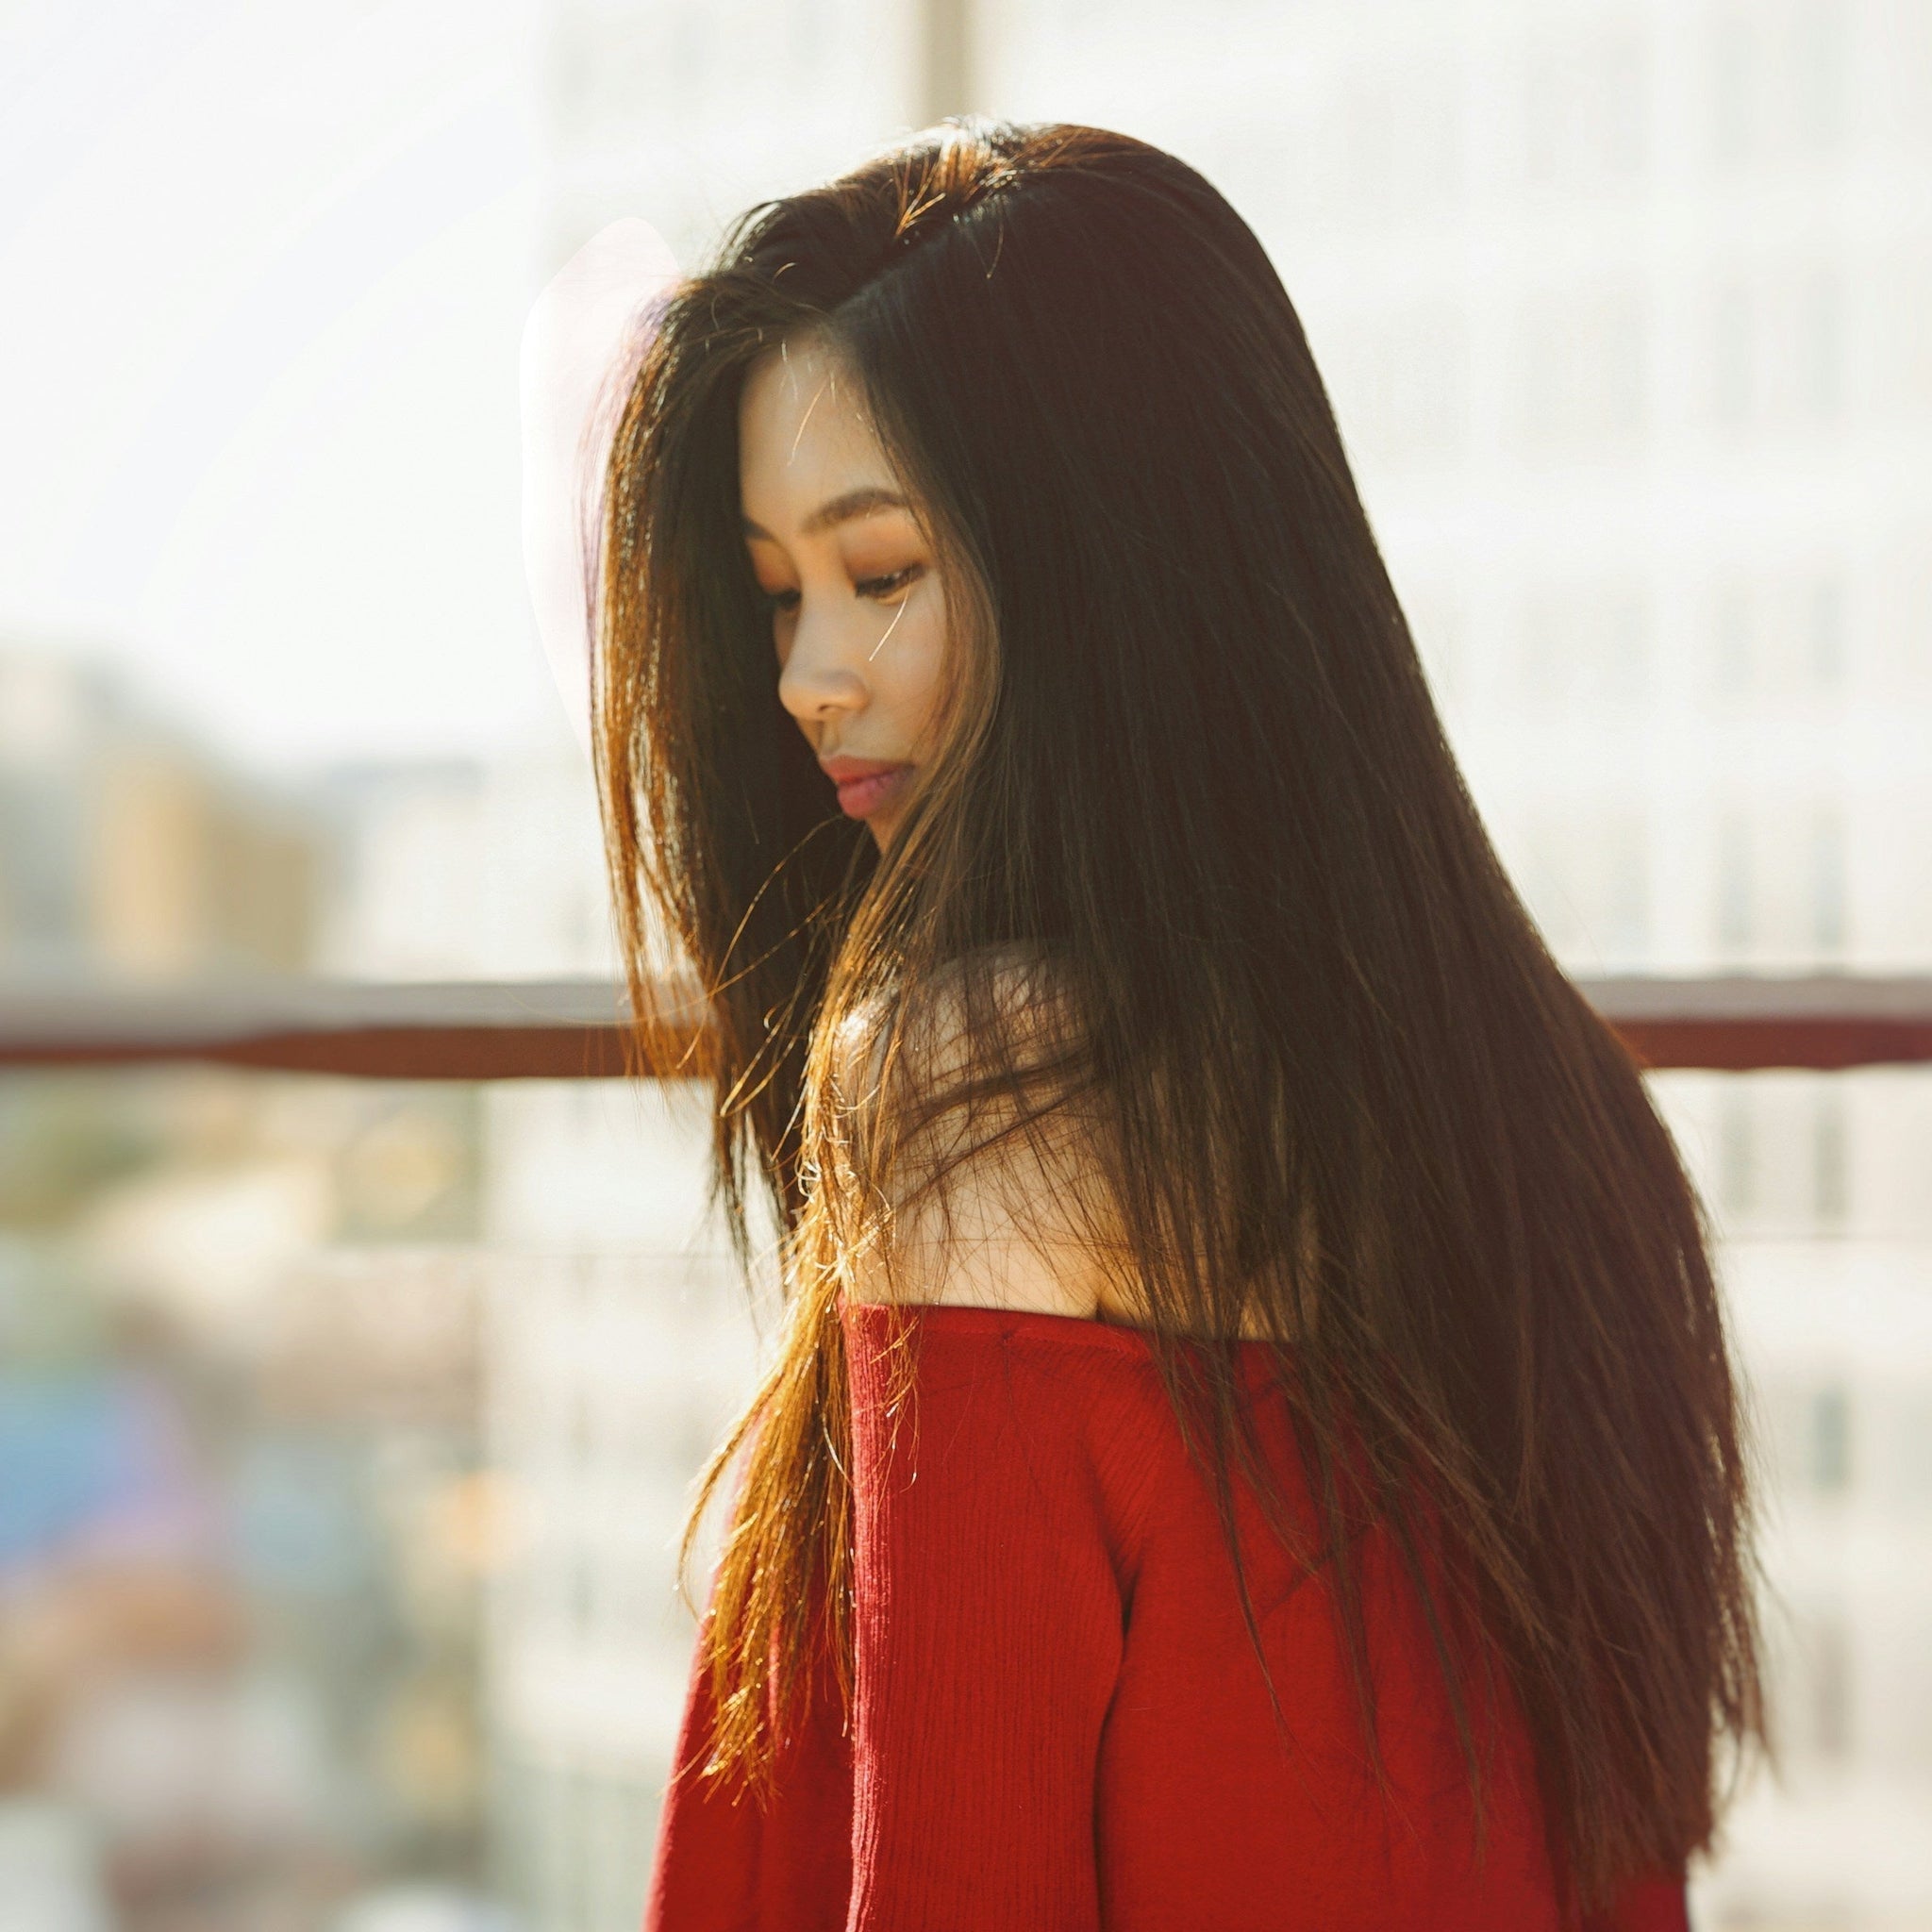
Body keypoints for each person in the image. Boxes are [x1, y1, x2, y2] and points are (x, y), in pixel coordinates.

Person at [592, 118, 1765, 1931]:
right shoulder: (1544, 1118)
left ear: (1117, 576)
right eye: (774, 593)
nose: (806, 678)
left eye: (881, 570)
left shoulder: (972, 1086)